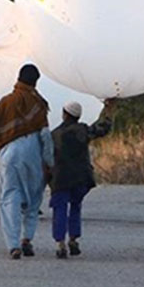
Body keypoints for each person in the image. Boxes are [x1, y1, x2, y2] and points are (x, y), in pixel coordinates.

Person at [0, 64, 54, 259]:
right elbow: (45, 134)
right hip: (34, 155)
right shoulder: (39, 103)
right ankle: (27, 239)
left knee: (10, 197)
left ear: (18, 78)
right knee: (33, 198)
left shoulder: (7, 102)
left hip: (10, 155)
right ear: (36, 81)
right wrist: (49, 163)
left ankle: (13, 245)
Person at [48, 99, 112, 259]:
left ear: (64, 114)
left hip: (60, 178)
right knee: (76, 206)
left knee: (60, 208)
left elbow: (46, 156)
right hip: (80, 178)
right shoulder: (83, 130)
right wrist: (109, 112)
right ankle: (73, 239)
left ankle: (60, 243)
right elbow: (103, 129)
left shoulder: (55, 134)